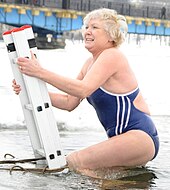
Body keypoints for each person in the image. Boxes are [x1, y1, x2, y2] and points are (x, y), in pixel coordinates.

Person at [12, 8, 159, 176]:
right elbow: (69, 102)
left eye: (95, 27)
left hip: (140, 137)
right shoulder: (89, 63)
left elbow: (83, 90)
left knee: (75, 162)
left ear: (111, 35)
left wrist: (39, 72)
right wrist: (29, 91)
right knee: (95, 175)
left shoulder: (112, 56)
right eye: (86, 27)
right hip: (123, 140)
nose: (87, 31)